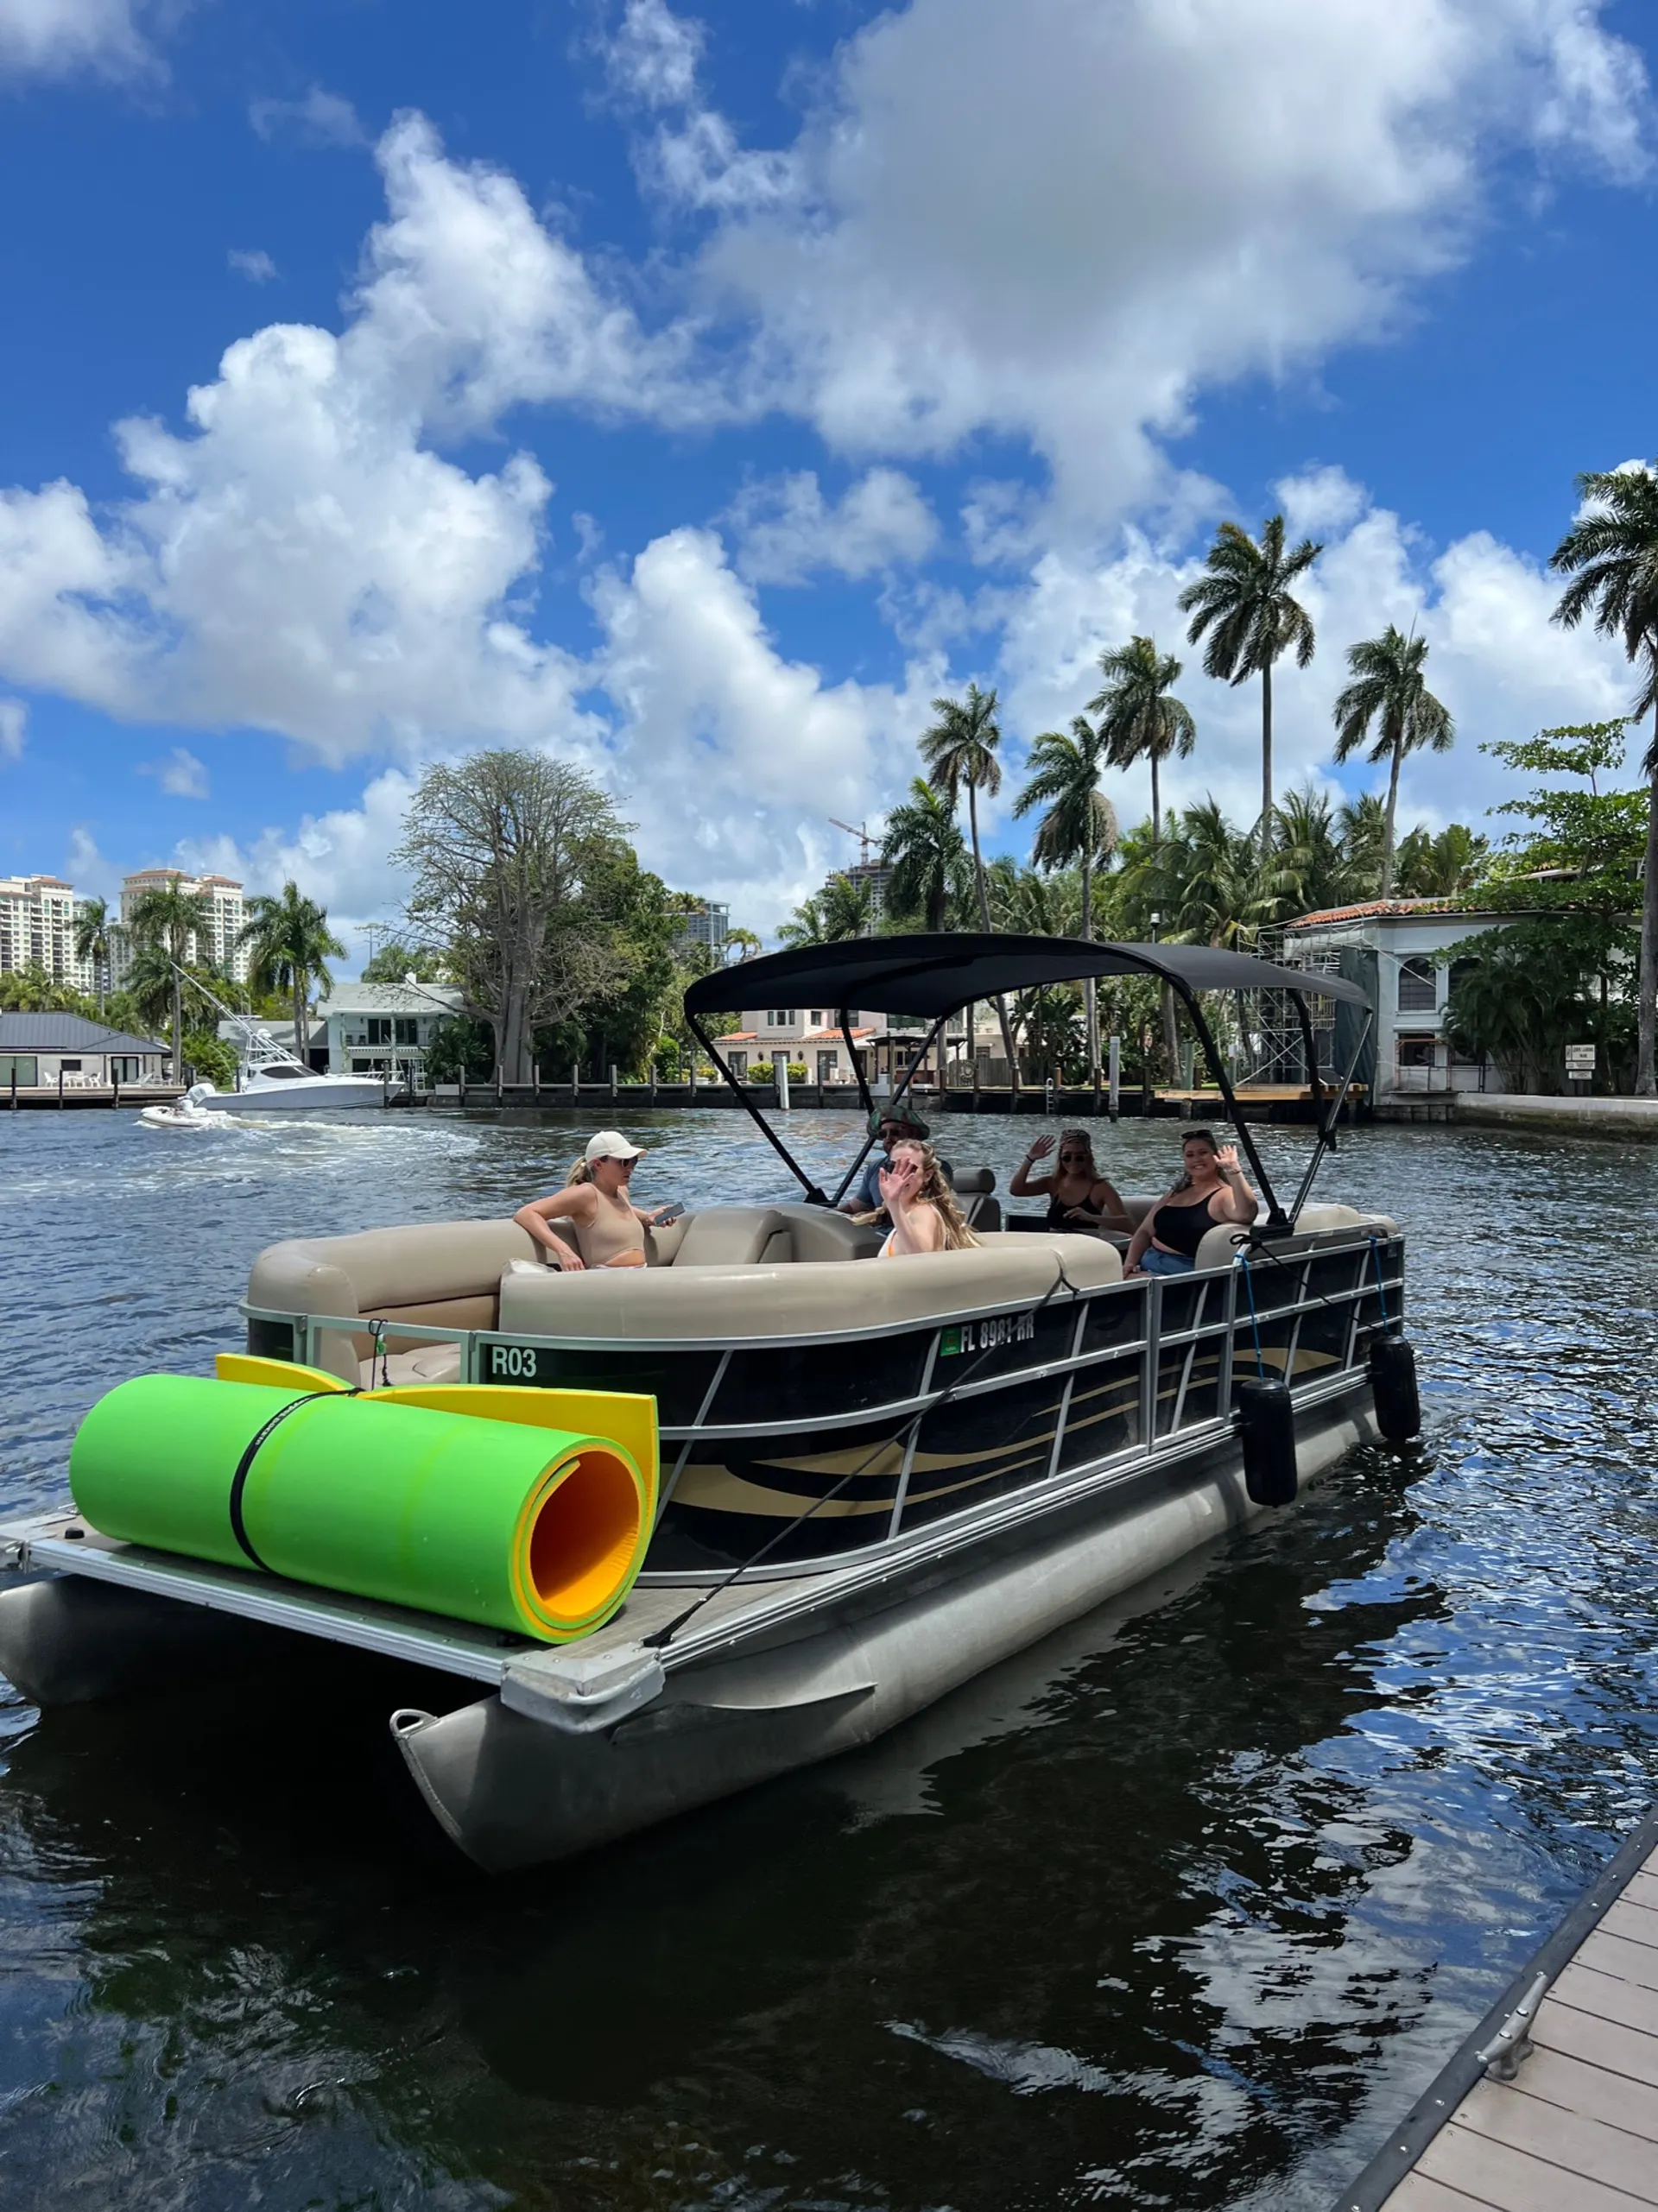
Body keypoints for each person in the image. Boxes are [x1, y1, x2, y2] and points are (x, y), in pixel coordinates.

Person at [512, 1131, 677, 1272]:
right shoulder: (585, 1193)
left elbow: (617, 1211)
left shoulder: (621, 1192)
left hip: (639, 1275)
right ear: (598, 1164)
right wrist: (564, 1251)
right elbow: (527, 1213)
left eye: (634, 1161)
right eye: (624, 1161)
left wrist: (650, 1218)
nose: (631, 1167)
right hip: (605, 1281)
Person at [1123, 1128, 1256, 1277]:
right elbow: (1145, 1231)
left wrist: (1233, 1170)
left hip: (1179, 1271)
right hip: (1147, 1261)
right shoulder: (1176, 1192)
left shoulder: (1223, 1195)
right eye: (1190, 1155)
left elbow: (1246, 1214)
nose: (1197, 1159)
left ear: (1216, 1156)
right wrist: (1129, 1263)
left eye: (1203, 1153)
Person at [857, 1137, 979, 1255]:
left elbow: (921, 1257)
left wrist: (893, 1203)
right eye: (892, 1166)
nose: (899, 1175)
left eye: (910, 1169)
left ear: (927, 1176)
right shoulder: (907, 1213)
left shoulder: (924, 1212)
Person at [1009, 1129, 1131, 1235]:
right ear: (1060, 1158)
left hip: (1085, 1247)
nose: (1073, 1162)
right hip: (1054, 1245)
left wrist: (1091, 1218)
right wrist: (1030, 1159)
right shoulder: (1053, 1183)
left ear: (1088, 1157)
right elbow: (1016, 1190)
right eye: (1067, 1157)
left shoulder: (1100, 1187)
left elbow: (1127, 1224)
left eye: (1079, 1157)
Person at [838, 1108, 948, 1214]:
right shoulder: (875, 1167)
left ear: (913, 1135)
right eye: (883, 1134)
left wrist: (876, 1219)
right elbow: (855, 1207)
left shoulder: (935, 1167)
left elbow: (932, 1209)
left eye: (895, 1132)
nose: (888, 1138)